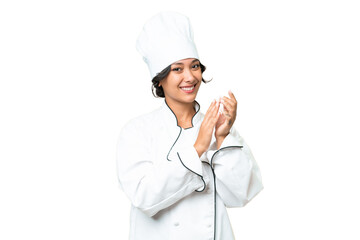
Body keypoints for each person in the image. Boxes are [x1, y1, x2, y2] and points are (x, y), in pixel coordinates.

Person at [116, 11, 263, 240]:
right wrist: (197, 149)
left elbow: (242, 194)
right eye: (177, 69)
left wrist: (223, 137)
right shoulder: (137, 132)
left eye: (195, 66)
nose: (190, 77)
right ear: (160, 78)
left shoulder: (217, 123)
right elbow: (144, 197)